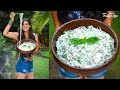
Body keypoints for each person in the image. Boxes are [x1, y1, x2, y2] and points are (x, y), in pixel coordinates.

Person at [51, 11, 114, 79]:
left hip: (98, 28)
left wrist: (109, 19)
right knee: (70, 75)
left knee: (96, 75)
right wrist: (57, 24)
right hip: (67, 28)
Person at [3, 12, 40, 79]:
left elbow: (37, 51)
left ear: (30, 26)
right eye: (22, 24)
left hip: (30, 64)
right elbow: (5, 33)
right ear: (21, 26)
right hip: (21, 63)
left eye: (26, 24)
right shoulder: (18, 35)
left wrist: (30, 52)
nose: (24, 26)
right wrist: (11, 20)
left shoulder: (35, 36)